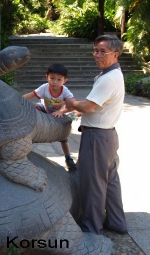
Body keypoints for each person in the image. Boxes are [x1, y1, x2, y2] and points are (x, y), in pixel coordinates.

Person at [65, 34, 127, 235]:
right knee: (110, 182)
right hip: (108, 136)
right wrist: (80, 110)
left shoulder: (108, 79)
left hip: (97, 138)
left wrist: (71, 103)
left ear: (115, 54)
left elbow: (88, 105)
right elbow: (98, 105)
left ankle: (91, 228)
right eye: (96, 51)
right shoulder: (113, 74)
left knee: (93, 185)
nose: (97, 55)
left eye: (103, 52)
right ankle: (117, 222)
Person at [23, 63, 77, 171]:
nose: (54, 82)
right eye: (52, 78)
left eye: (59, 79)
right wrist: (18, 99)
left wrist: (61, 111)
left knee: (63, 137)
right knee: (34, 109)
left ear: (64, 80)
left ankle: (68, 157)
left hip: (59, 112)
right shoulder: (44, 88)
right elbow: (31, 95)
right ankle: (26, 144)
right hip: (45, 109)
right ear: (46, 77)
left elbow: (72, 105)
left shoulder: (65, 91)